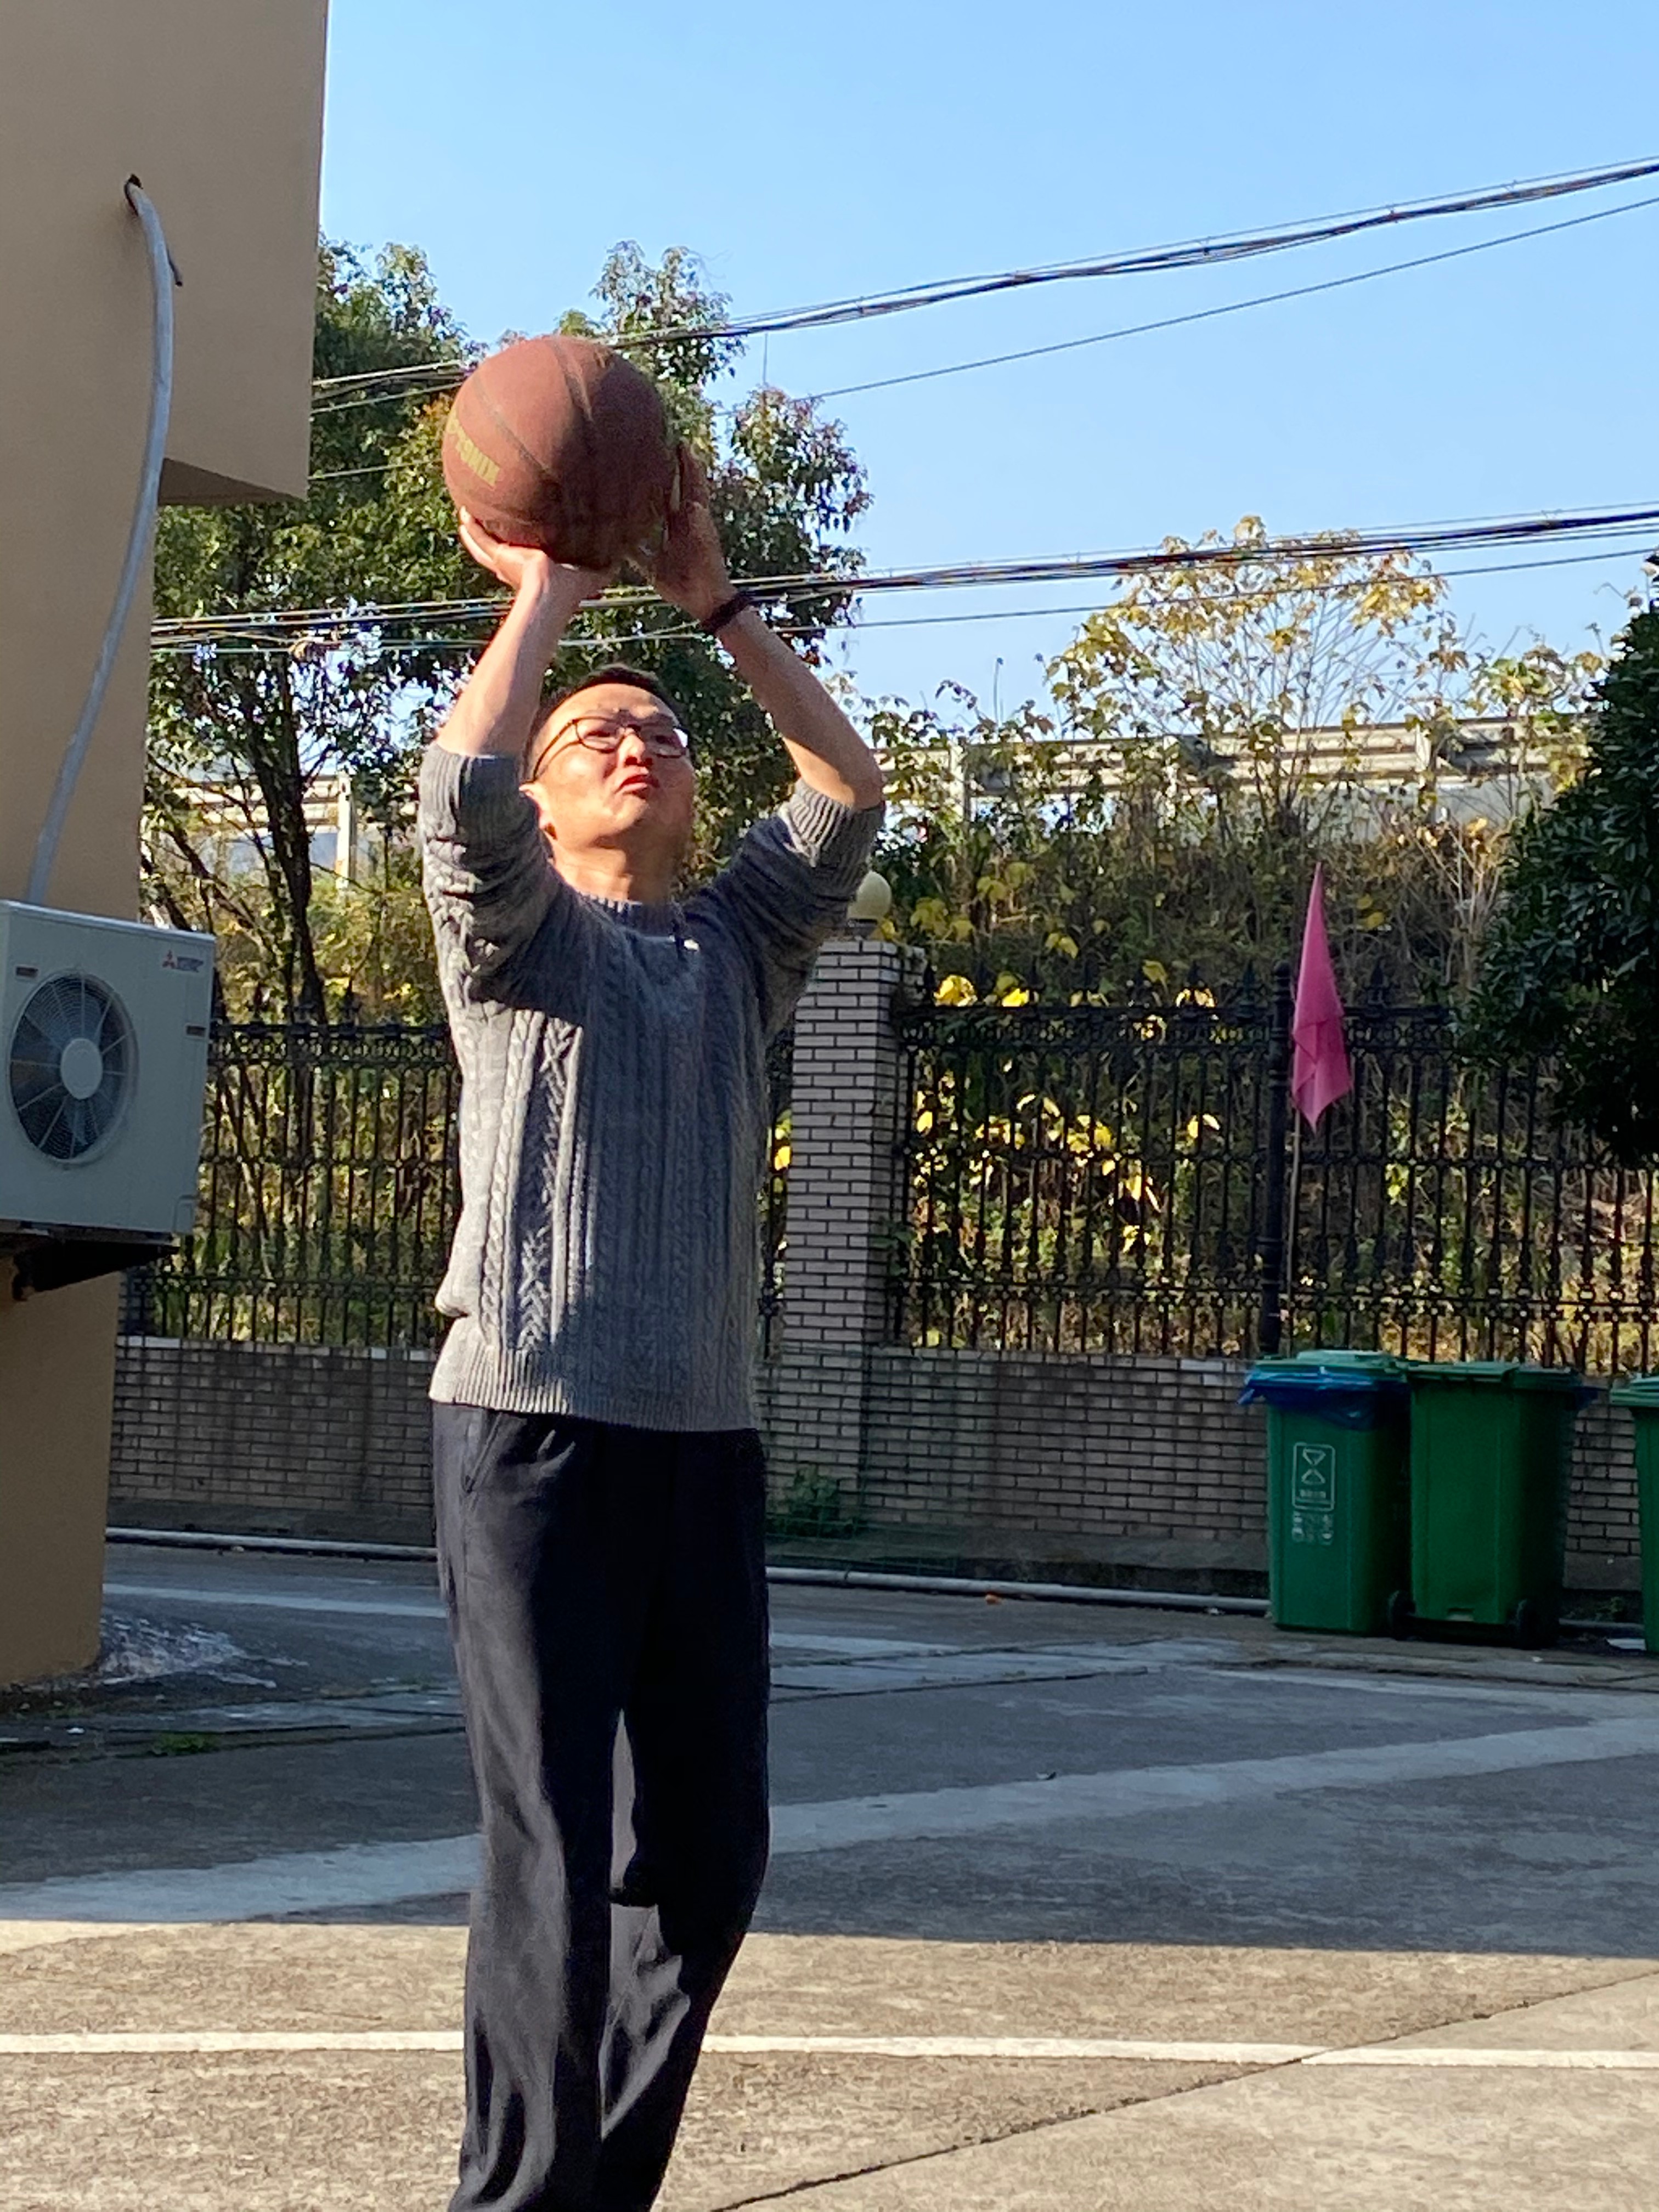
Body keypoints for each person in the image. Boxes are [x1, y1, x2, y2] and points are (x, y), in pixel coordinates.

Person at [417, 450, 884, 2212]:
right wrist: (547, 588)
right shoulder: (518, 935)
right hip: (528, 1433)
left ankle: (590, 2192)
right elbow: (458, 787)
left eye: (664, 733)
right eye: (597, 734)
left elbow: (846, 787)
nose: (636, 744)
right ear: (547, 804)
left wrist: (721, 611)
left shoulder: (741, 946)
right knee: (549, 1856)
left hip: (702, 1445)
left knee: (707, 1858)